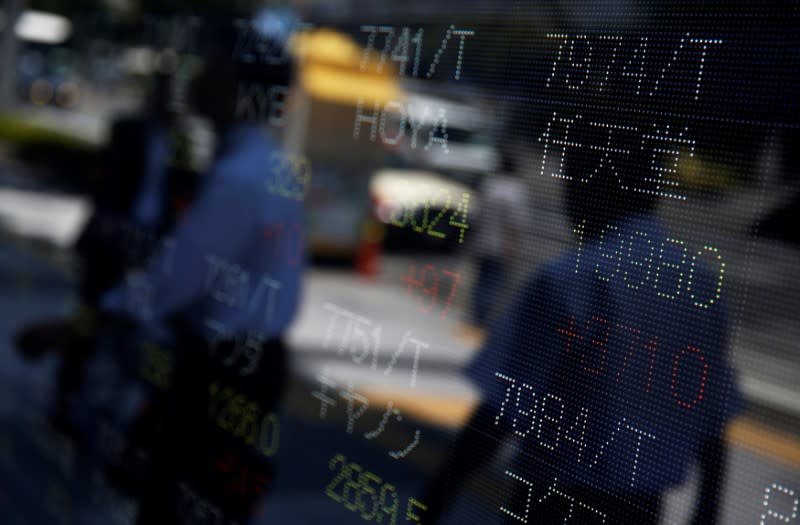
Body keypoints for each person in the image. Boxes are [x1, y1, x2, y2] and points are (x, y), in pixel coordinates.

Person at [419, 113, 743, 524]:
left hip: (553, 505)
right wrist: (707, 510)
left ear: (588, 187)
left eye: (572, 181)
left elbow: (500, 410)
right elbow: (712, 414)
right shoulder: (699, 283)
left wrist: (431, 504)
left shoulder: (573, 278)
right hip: (642, 510)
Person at [99, 20, 304, 524]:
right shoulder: (265, 164)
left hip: (224, 367)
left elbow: (173, 280)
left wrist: (85, 322)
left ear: (240, 89)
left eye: (212, 67)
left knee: (181, 504)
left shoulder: (241, 176)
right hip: (241, 363)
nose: (197, 78)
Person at [469, 151, 529, 330]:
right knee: (492, 284)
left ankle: (477, 318)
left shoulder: (490, 184)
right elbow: (516, 222)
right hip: (501, 246)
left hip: (482, 242)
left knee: (481, 281)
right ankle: (482, 320)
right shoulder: (516, 189)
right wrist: (513, 246)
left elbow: (475, 214)